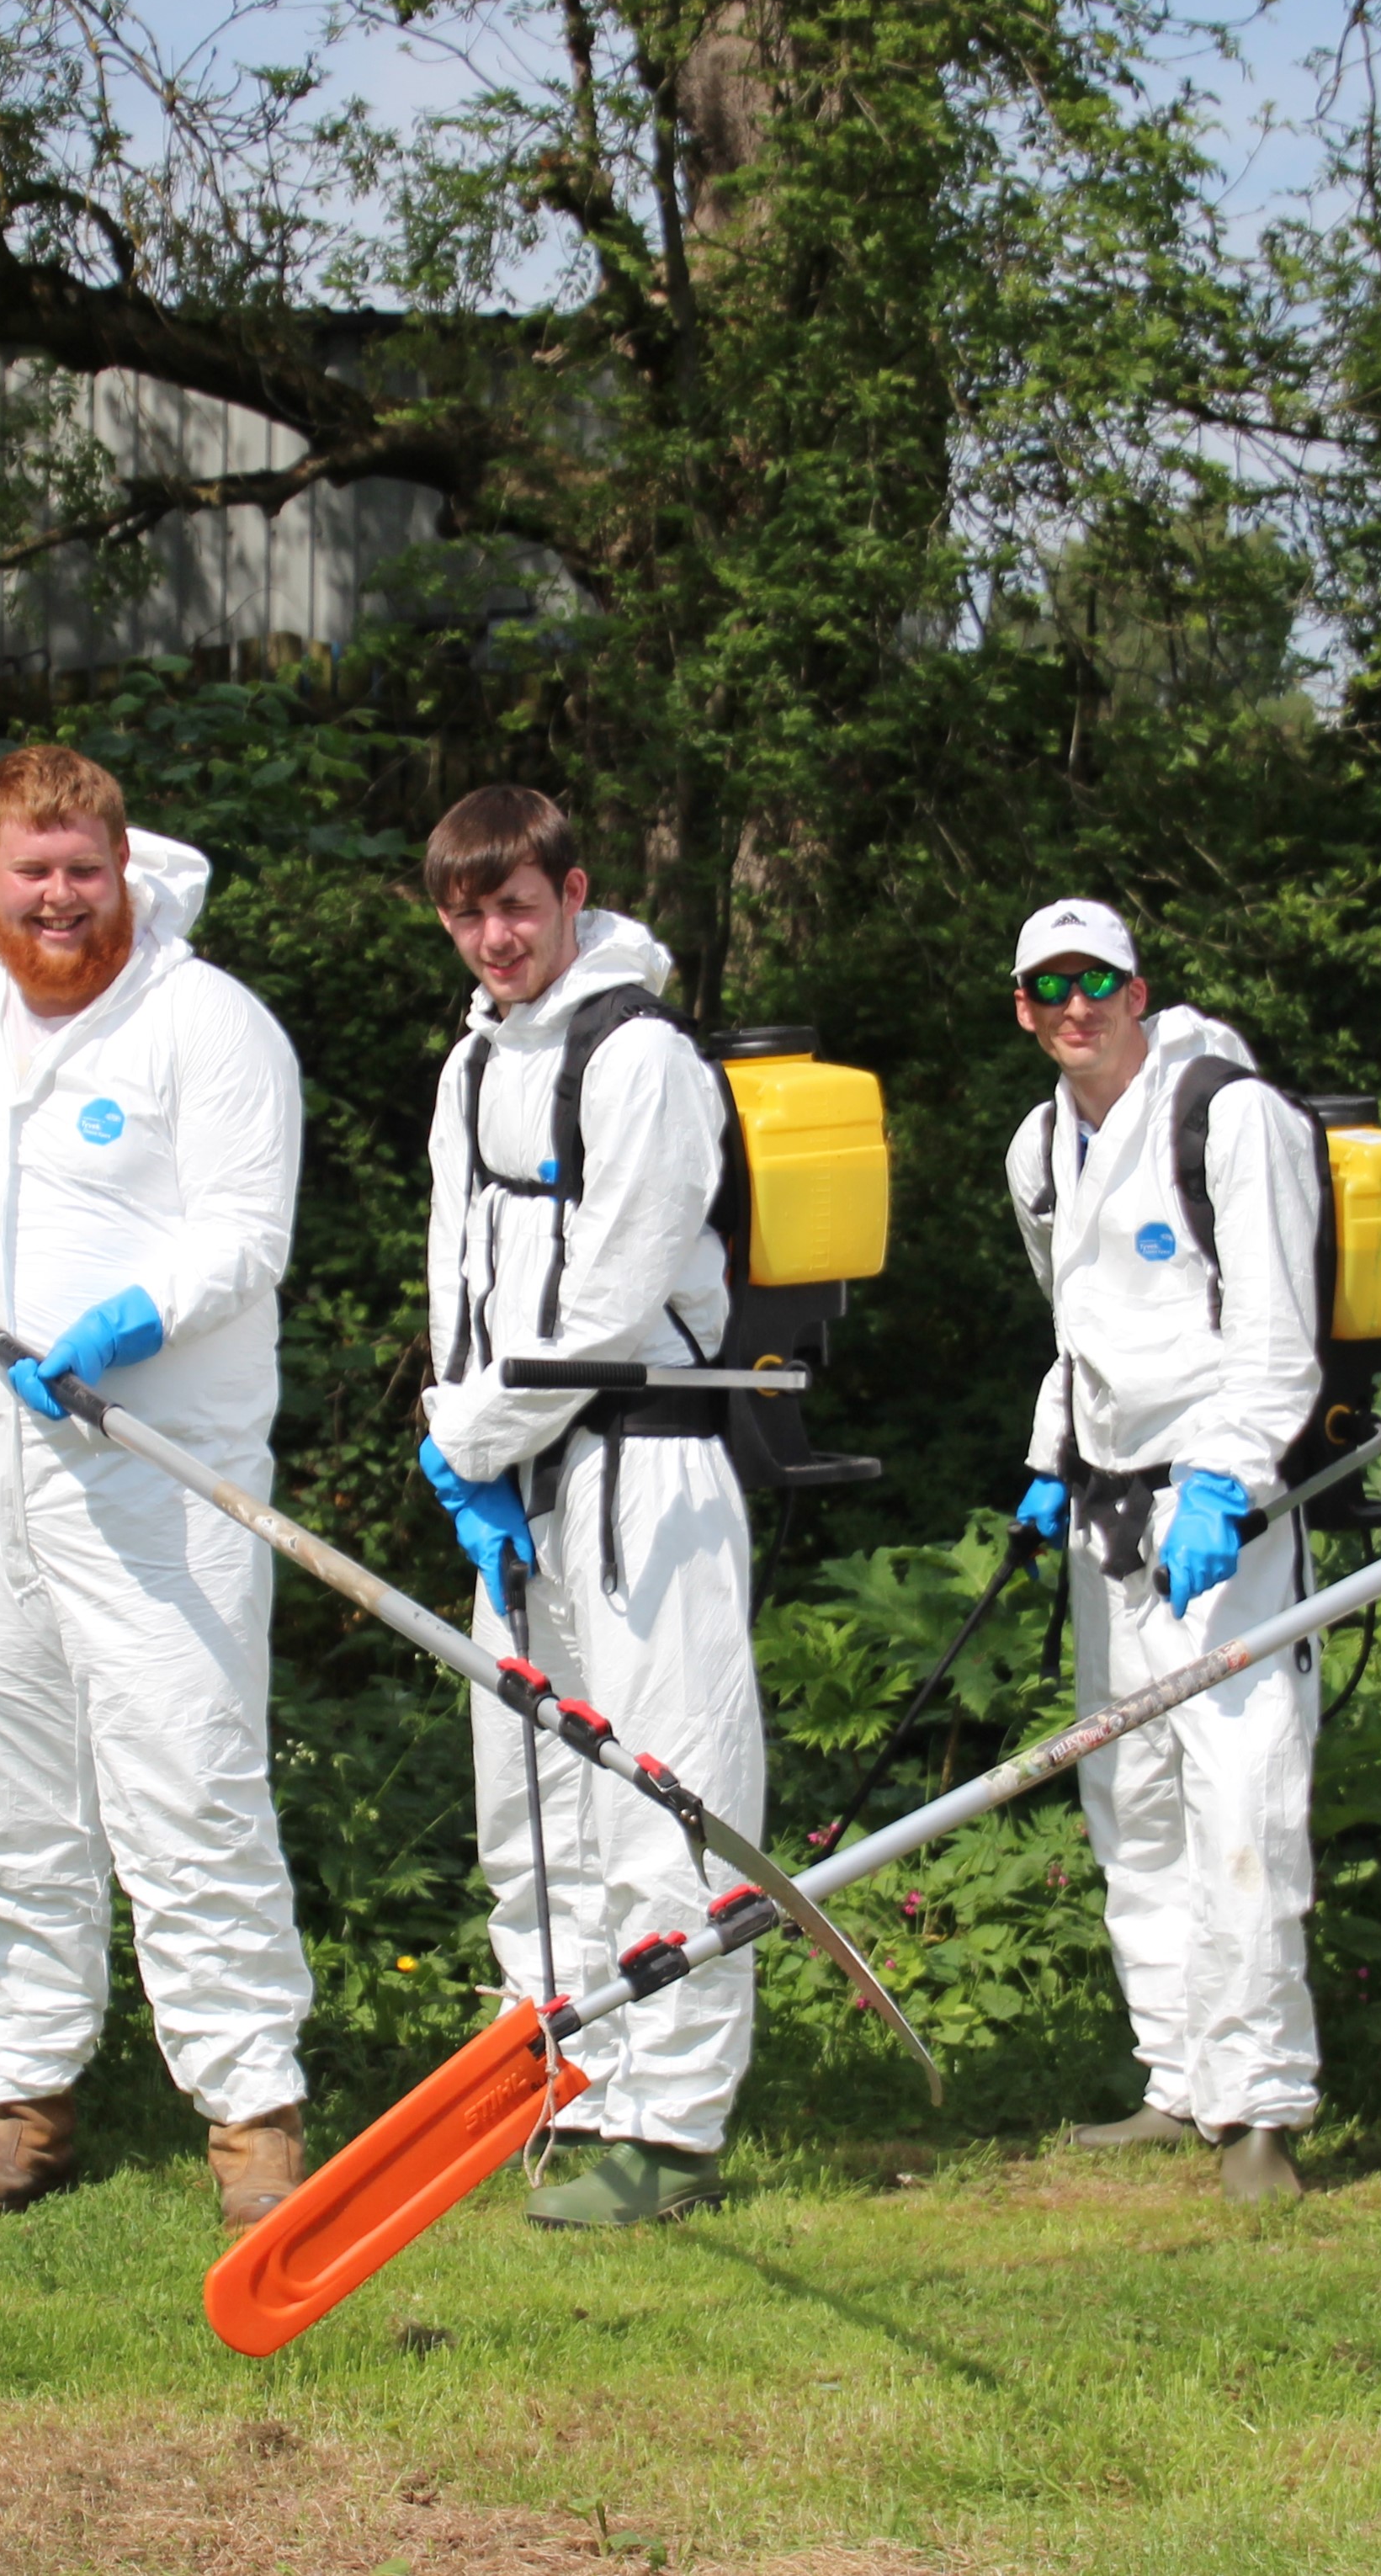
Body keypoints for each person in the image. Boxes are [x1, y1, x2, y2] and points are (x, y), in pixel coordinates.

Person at [0, 744, 314, 2229]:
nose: (57, 897)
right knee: (3, 1783)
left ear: (122, 868)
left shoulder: (208, 1025)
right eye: (28, 870)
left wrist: (131, 1322)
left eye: (82, 872)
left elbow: (246, 1230)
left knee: (191, 1776)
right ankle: (25, 2097)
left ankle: (252, 2107)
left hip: (156, 1471)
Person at [413, 786, 762, 2229]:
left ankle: (671, 2126)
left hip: (645, 1460)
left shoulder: (645, 1056)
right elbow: (456, 1275)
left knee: (664, 1792)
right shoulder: (471, 1061)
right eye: (467, 911)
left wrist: (477, 1435)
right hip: (517, 1478)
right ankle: (562, 2075)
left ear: (572, 893)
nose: (495, 936)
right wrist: (463, 1446)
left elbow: (617, 1290)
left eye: (516, 904)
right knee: (530, 1798)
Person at [999, 899, 1330, 2201]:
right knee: (1128, 1795)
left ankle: (1260, 2109)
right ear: (1023, 1008)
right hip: (1104, 1504)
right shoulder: (1040, 1146)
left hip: (1221, 1510)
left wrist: (1227, 1482)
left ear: (1140, 988)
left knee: (1241, 1790)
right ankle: (1177, 2074)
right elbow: (1078, 1326)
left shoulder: (1227, 1114)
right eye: (1046, 987)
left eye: (1096, 980)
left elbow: (1277, 1332)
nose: (1073, 1005)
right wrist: (1047, 1458)